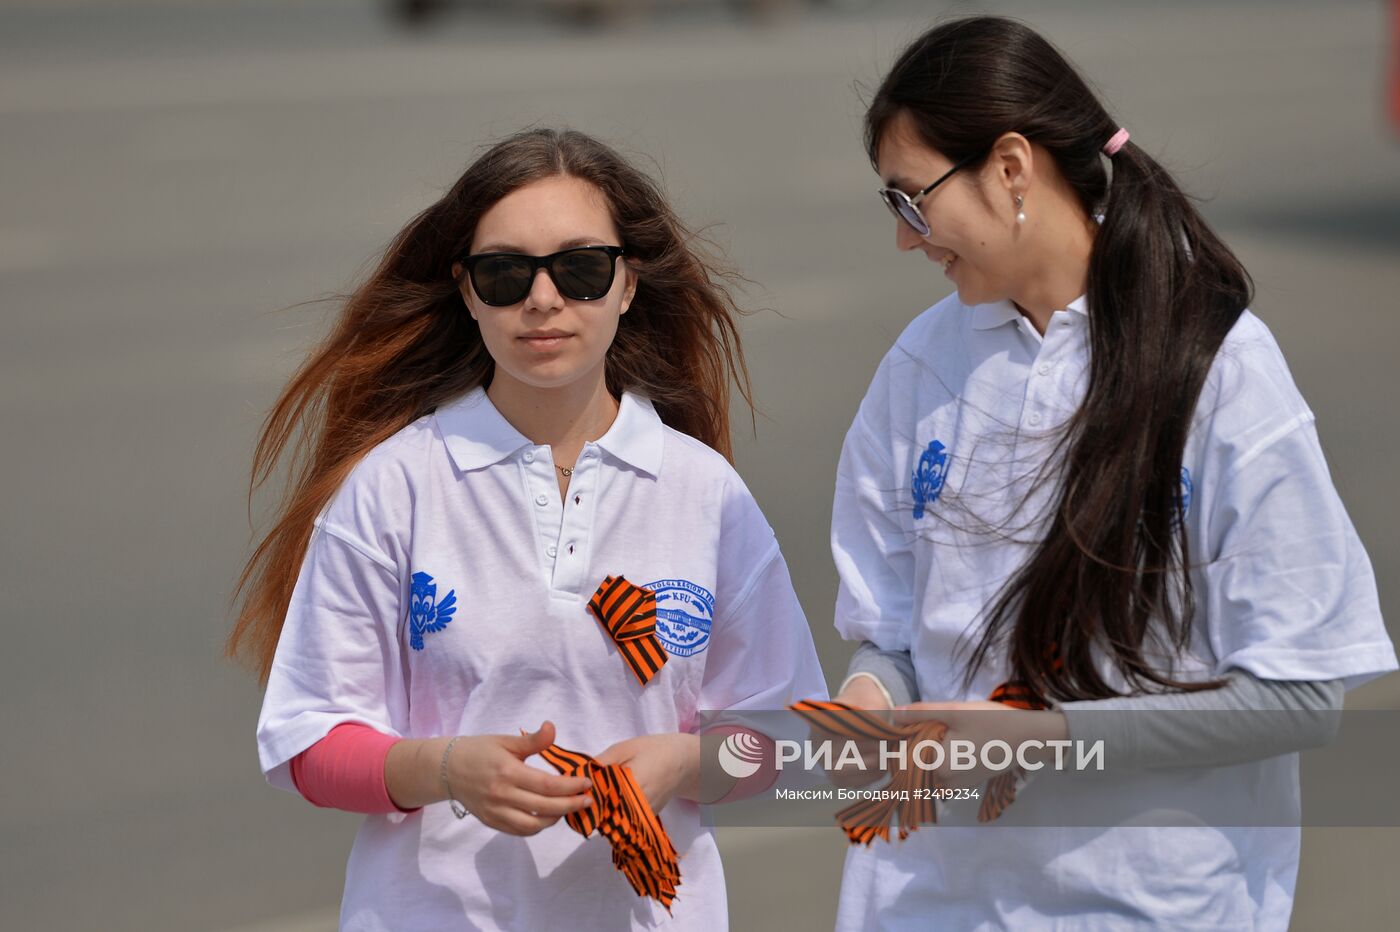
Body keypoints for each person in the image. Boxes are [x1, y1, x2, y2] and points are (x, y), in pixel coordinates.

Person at [827, 16, 1396, 930]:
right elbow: (892, 633)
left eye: (913, 200)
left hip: (1153, 906)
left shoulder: (1216, 366)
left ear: (1011, 167)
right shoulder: (921, 368)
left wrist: (1049, 741)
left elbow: (1299, 696)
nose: (907, 239)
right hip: (930, 901)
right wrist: (867, 703)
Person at [228, 127, 827, 931]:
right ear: (467, 291)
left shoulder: (705, 492)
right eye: (505, 274)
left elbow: (792, 739)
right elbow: (306, 745)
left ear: (627, 284)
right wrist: (443, 770)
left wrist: (683, 762)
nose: (542, 300)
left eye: (580, 270)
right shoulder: (393, 487)